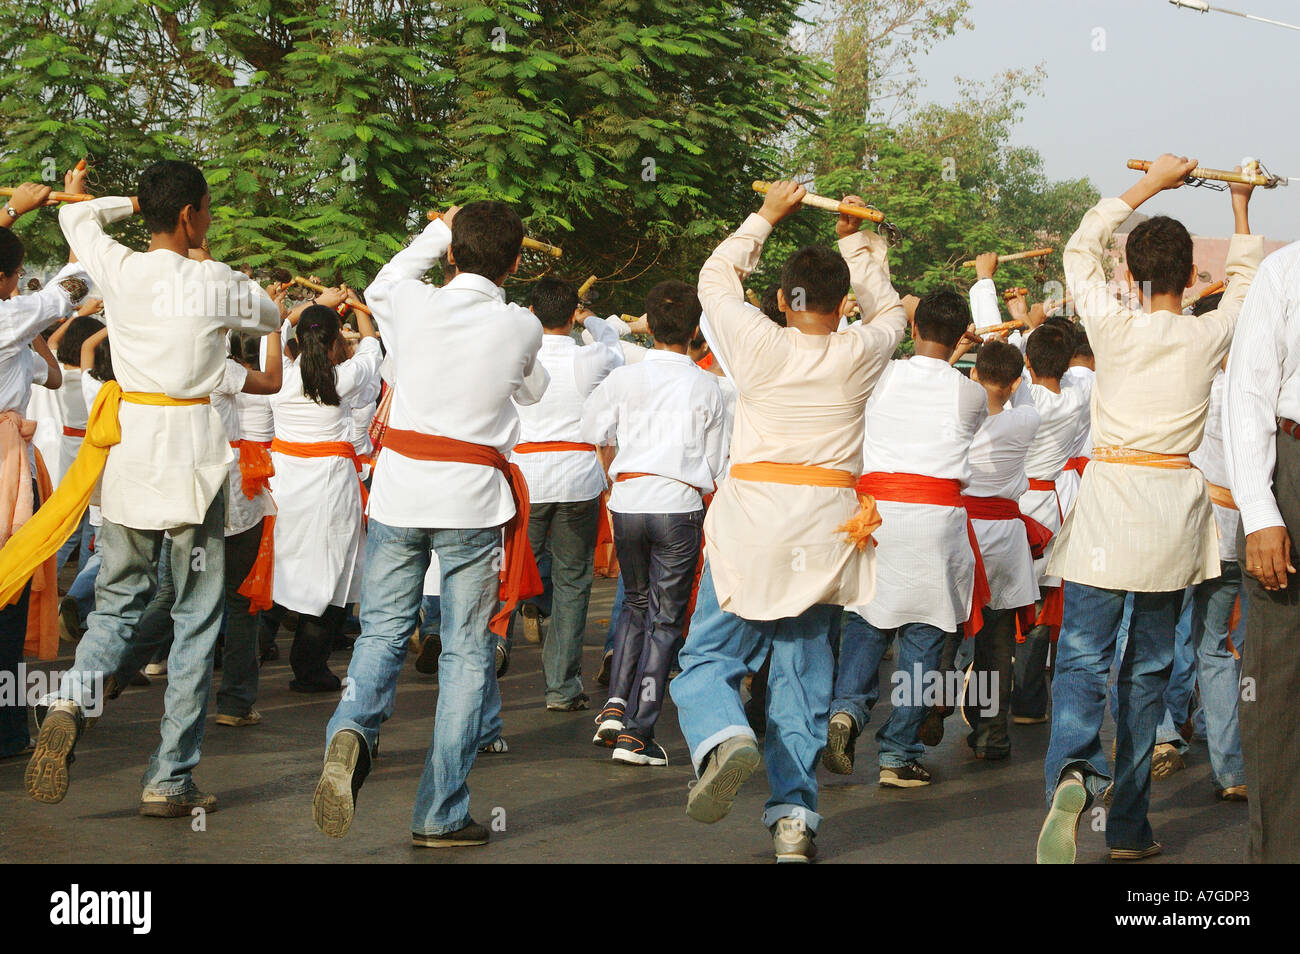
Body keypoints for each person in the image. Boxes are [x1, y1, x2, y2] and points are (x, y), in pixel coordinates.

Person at [19, 159, 282, 815]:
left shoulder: (120, 267)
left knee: (117, 604)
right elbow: (274, 318)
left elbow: (74, 213)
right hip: (192, 458)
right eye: (208, 210)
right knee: (195, 622)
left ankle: (71, 700)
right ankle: (168, 779)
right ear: (193, 216)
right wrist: (201, 252)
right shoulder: (215, 280)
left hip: (129, 454)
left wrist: (127, 204)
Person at [669, 181, 908, 863]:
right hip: (825, 533)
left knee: (709, 659)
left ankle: (724, 737)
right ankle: (795, 822)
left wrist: (768, 215)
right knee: (801, 677)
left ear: (781, 300)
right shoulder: (863, 348)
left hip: (752, 524)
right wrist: (857, 243)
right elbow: (890, 308)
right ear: (844, 305)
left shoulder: (757, 341)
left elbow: (716, 275)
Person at [1036, 154, 1261, 864]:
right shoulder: (1207, 334)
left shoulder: (1111, 323)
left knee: (1080, 658)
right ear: (1191, 274)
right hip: (1172, 513)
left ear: (1129, 276)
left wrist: (1150, 186)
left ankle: (1074, 771)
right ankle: (1128, 827)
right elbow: (1248, 286)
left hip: (1109, 503)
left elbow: (1079, 248)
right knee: (1147, 675)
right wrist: (1241, 203)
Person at [312, 199, 547, 849]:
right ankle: (441, 811)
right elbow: (532, 390)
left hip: (397, 494)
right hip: (470, 504)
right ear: (518, 262)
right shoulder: (521, 325)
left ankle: (354, 729)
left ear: (449, 252)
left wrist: (441, 224)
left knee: (383, 632)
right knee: (468, 654)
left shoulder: (404, 303)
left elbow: (390, 275)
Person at [582, 279, 727, 765]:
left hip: (628, 501)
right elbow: (716, 464)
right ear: (695, 329)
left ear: (649, 324)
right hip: (677, 504)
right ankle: (638, 733)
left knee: (634, 606)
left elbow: (593, 430)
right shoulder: (707, 385)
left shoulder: (625, 377)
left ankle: (614, 708)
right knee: (666, 620)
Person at [0, 175, 88, 759]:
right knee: (8, 594)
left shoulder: (15, 332)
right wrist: (84, 222)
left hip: (14, 458)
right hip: (6, 468)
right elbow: (72, 288)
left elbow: (50, 375)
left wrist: (11, 213)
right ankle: (8, 727)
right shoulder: (9, 320)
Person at [509, 276, 623, 710]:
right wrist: (590, 317)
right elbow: (611, 340)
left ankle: (499, 644)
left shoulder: (518, 355)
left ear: (535, 314)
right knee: (573, 583)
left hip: (526, 479)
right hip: (577, 480)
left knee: (509, 572)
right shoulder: (589, 357)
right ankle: (561, 686)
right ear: (571, 317)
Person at [1223, 237, 1300, 861]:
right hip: (1294, 474)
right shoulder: (1286, 269)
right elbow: (1248, 394)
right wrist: (1261, 512)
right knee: (1276, 685)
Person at [269, 298, 381, 692]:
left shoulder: (279, 375)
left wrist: (306, 307)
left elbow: (277, 328)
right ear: (335, 342)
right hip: (331, 489)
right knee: (331, 572)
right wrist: (359, 309)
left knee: (278, 568)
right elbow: (372, 350)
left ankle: (251, 654)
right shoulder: (342, 379)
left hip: (285, 486)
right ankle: (309, 667)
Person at [959, 340, 1044, 759]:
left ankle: (930, 712)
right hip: (1006, 537)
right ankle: (991, 733)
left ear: (975, 376)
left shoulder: (956, 417)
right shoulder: (1025, 419)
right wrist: (1016, 350)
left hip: (961, 532)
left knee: (942, 633)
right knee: (996, 644)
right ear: (1013, 383)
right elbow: (1023, 388)